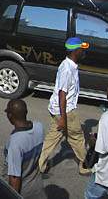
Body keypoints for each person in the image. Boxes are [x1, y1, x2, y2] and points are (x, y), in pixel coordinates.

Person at [38, 37, 92, 175]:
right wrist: (63, 118)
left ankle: (40, 164)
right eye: (82, 49)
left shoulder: (67, 65)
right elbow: (63, 94)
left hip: (57, 109)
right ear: (76, 51)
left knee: (53, 137)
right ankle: (85, 165)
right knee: (77, 138)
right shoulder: (68, 69)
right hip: (65, 111)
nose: (84, 52)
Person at [4, 99, 46, 199]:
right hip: (37, 187)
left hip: (23, 191)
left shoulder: (15, 143)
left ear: (10, 115)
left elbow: (15, 177)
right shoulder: (39, 127)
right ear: (26, 112)